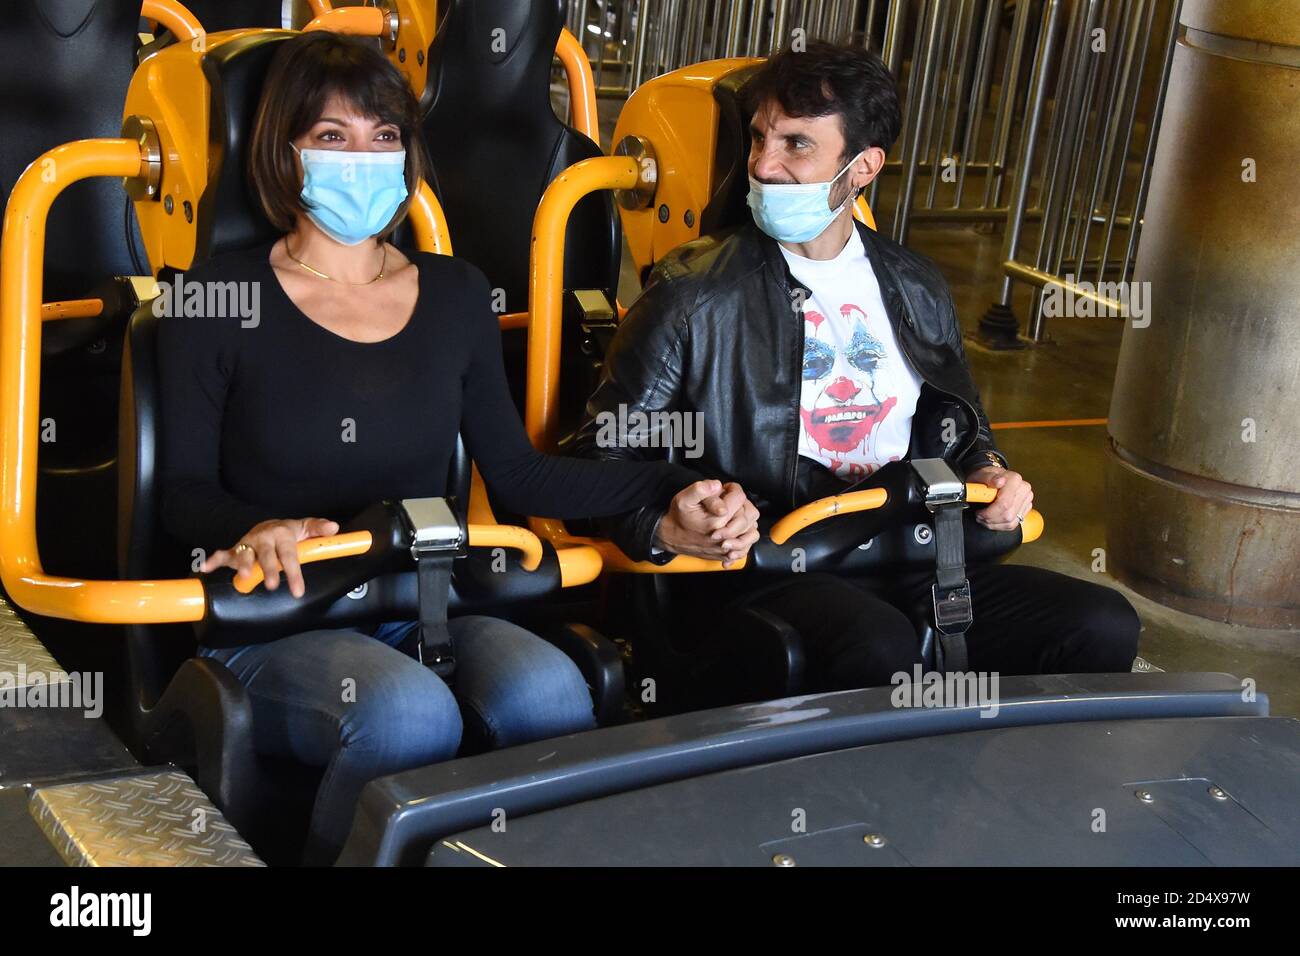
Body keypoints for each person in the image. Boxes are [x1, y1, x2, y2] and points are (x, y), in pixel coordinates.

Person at [156, 32, 755, 865]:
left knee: (551, 691)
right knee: (406, 714)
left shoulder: (452, 292)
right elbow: (179, 492)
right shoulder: (220, 296)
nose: (361, 158)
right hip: (276, 617)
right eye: (332, 137)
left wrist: (669, 490)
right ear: (282, 151)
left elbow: (517, 471)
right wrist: (264, 528)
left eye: (383, 137)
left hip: (421, 599)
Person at [574, 41, 1139, 697]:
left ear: (862, 167)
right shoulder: (692, 292)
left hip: (911, 551)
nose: (764, 165)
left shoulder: (915, 284)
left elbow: (961, 427)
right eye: (759, 140)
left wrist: (989, 472)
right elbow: (601, 453)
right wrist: (667, 519)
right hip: (774, 567)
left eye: (797, 146)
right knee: (878, 647)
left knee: (1101, 623)